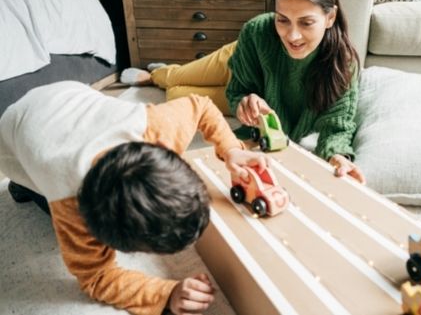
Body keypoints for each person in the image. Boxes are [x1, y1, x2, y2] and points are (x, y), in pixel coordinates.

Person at [0, 80, 268, 315]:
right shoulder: (68, 201)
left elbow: (201, 106)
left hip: (69, 93)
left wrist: (232, 149)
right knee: (48, 216)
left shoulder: (156, 126)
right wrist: (166, 294)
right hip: (14, 133)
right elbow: (95, 277)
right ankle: (22, 187)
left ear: (167, 152)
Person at [122, 0, 366, 184]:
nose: (292, 35)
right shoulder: (257, 31)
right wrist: (242, 97)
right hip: (243, 59)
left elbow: (337, 126)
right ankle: (155, 75)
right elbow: (238, 88)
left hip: (261, 98)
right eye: (282, 19)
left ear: (330, 17)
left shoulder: (342, 64)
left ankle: (165, 80)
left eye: (306, 22)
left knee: (177, 96)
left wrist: (338, 156)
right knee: (178, 77)